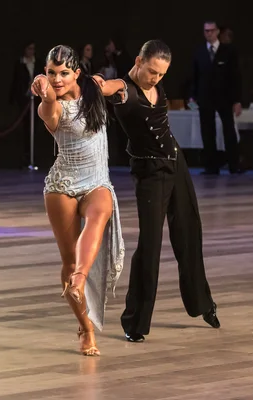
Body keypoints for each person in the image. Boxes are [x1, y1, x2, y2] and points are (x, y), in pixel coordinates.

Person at [93, 40, 220, 342]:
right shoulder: (124, 87)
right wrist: (94, 82)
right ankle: (135, 322)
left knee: (189, 233)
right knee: (150, 246)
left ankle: (202, 304)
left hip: (176, 164)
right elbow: (104, 87)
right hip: (149, 173)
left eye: (161, 75)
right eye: (151, 72)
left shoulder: (156, 84)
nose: (155, 79)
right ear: (138, 60)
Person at [31, 44, 125, 356]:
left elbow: (122, 84)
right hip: (63, 184)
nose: (57, 79)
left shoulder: (93, 91)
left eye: (63, 73)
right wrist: (45, 93)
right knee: (68, 260)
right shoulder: (52, 106)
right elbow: (48, 109)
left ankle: (80, 279)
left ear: (77, 74)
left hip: (97, 182)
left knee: (100, 214)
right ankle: (85, 329)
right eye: (51, 73)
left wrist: (117, 83)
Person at [189, 20, 243, 175]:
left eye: (212, 30)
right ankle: (211, 165)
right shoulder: (199, 52)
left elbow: (235, 77)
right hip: (205, 97)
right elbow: (195, 76)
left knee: (229, 129)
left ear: (218, 31)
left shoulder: (229, 51)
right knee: (207, 131)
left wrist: (237, 100)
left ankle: (234, 163)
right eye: (206, 31)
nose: (209, 33)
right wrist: (192, 96)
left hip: (224, 96)